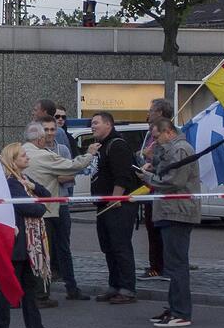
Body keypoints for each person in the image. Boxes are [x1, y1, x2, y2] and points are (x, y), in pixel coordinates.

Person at [22, 119, 100, 305]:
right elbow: (73, 166)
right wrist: (89, 154)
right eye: (46, 132)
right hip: (47, 211)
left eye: (52, 130)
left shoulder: (19, 151)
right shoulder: (43, 155)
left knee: (32, 252)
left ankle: (31, 292)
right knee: (43, 254)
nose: (49, 135)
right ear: (40, 138)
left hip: (29, 209)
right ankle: (41, 295)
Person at [0, 143, 60, 328]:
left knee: (29, 287)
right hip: (18, 241)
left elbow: (46, 196)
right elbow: (31, 208)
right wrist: (39, 205)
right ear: (13, 161)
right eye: (23, 155)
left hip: (29, 244)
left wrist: (33, 187)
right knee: (8, 285)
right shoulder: (11, 183)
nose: (27, 158)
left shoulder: (23, 179)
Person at [138, 119, 199, 327]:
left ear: (168, 132)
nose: (155, 142)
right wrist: (153, 158)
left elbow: (174, 180)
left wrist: (148, 178)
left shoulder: (181, 149)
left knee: (177, 264)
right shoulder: (171, 148)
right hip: (168, 212)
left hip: (178, 212)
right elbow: (164, 170)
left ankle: (181, 311)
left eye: (156, 137)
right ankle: (174, 308)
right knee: (172, 263)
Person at [89, 112, 140, 304]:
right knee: (108, 247)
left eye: (96, 123)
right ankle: (114, 285)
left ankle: (127, 289)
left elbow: (123, 175)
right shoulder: (101, 147)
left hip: (118, 206)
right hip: (103, 204)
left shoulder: (117, 145)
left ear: (108, 124)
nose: (92, 126)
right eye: (92, 123)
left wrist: (115, 197)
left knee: (120, 246)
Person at [137, 98, 173, 281]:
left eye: (151, 110)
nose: (148, 113)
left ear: (159, 113)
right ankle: (155, 264)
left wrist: (152, 159)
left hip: (160, 190)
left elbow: (167, 163)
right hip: (150, 188)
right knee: (151, 229)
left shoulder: (166, 135)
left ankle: (159, 267)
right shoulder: (150, 133)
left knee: (159, 230)